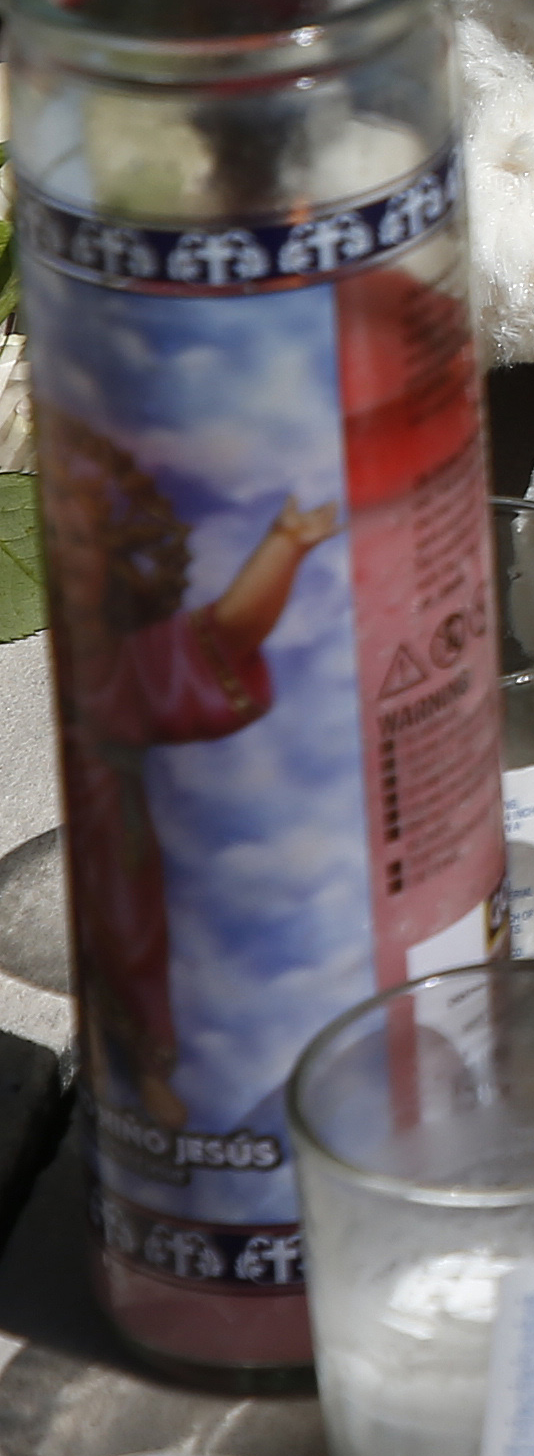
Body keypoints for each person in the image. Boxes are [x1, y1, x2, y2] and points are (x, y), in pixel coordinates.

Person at [47, 422, 334, 1142]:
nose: (72, 557)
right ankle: (131, 1073)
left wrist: (286, 544)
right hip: (99, 817)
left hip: (127, 821)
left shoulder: (131, 660)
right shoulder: (94, 652)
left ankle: (150, 1068)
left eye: (87, 542)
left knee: (139, 934)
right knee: (111, 936)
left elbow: (228, 628)